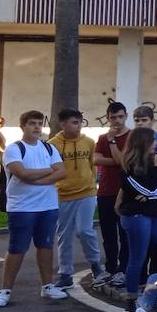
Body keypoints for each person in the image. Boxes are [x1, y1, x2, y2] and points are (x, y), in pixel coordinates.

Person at [0, 110, 67, 307]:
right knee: (17, 248)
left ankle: (47, 286)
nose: (36, 127)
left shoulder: (49, 148)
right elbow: (22, 173)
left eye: (39, 123)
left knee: (45, 246)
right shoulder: (14, 149)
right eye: (32, 123)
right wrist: (48, 171)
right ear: (23, 126)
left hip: (48, 206)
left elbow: (62, 172)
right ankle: (5, 290)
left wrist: (40, 178)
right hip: (22, 207)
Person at [117, 126, 157, 304]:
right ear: (143, 143)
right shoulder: (128, 167)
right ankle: (131, 299)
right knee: (138, 256)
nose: (156, 144)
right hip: (136, 216)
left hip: (152, 213)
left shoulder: (154, 163)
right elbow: (151, 190)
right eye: (152, 140)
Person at [51, 108, 106, 290]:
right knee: (64, 235)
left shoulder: (89, 142)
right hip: (63, 195)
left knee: (85, 230)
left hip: (86, 192)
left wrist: (93, 182)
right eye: (74, 122)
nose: (79, 126)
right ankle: (65, 274)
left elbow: (93, 166)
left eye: (80, 122)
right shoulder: (53, 145)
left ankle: (96, 266)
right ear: (63, 124)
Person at [93, 103, 131, 287]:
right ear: (108, 117)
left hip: (125, 192)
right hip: (106, 191)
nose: (116, 121)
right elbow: (95, 159)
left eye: (120, 117)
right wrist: (114, 160)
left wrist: (112, 142)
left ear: (126, 116)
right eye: (113, 117)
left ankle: (123, 270)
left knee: (124, 233)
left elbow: (123, 161)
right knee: (108, 234)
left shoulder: (131, 137)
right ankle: (110, 268)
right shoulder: (102, 137)